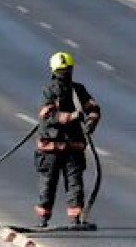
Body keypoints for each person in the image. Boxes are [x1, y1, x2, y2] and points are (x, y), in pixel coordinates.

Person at [34, 52, 101, 228]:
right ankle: (43, 218)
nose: (64, 74)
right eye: (62, 70)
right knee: (48, 183)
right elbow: (48, 116)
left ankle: (75, 218)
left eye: (66, 70)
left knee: (74, 183)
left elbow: (93, 108)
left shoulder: (78, 90)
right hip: (51, 147)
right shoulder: (49, 91)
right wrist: (72, 116)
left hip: (72, 147)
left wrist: (91, 122)